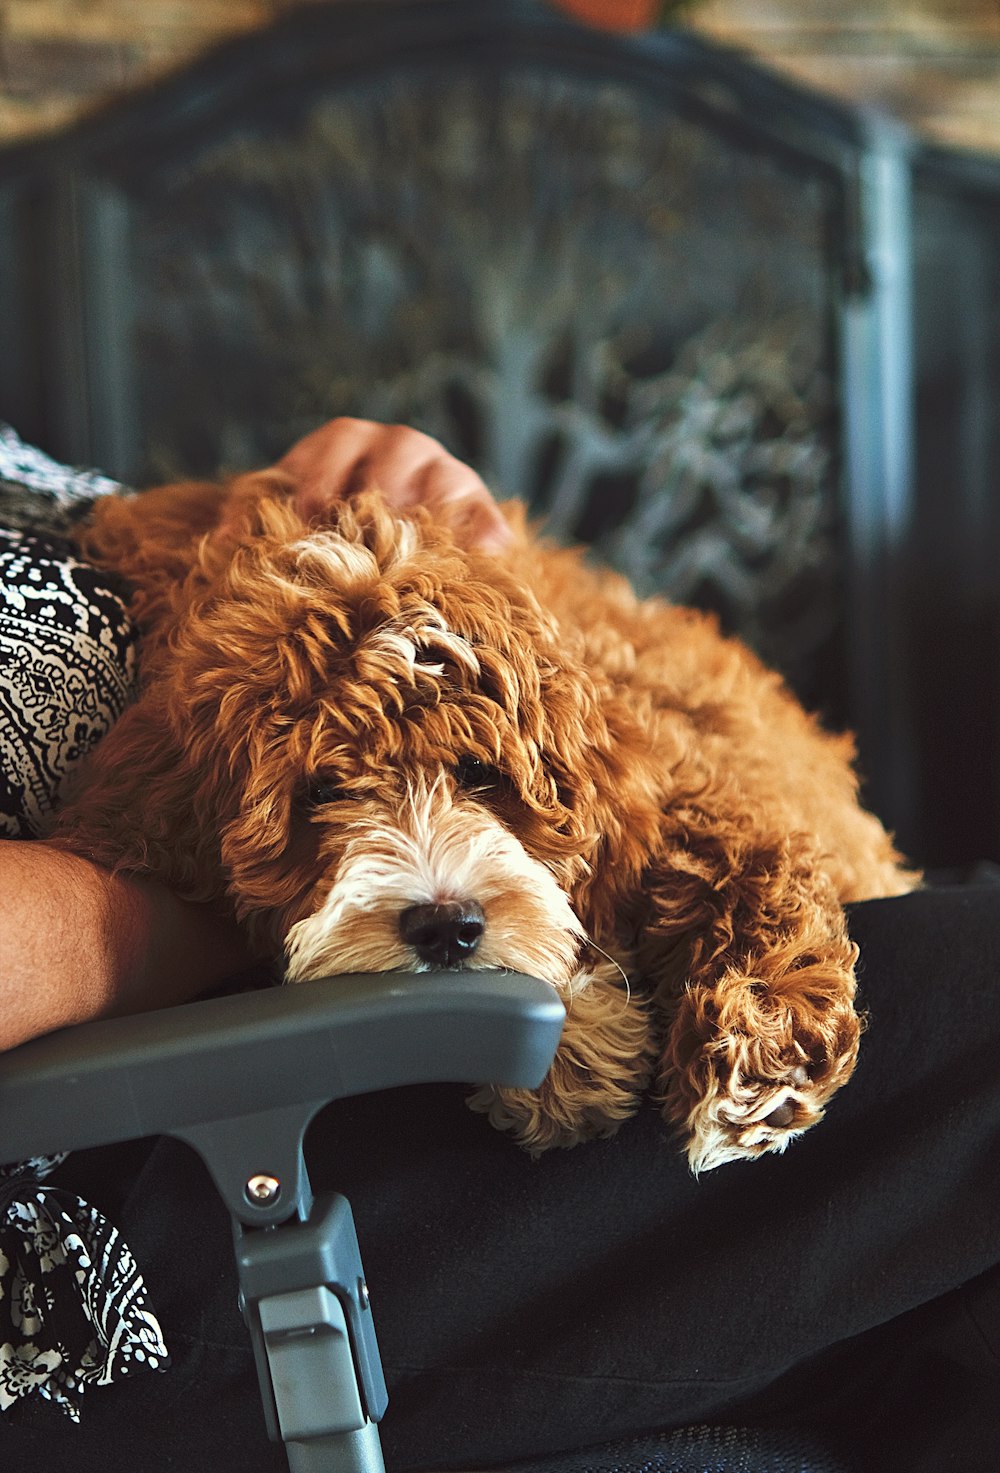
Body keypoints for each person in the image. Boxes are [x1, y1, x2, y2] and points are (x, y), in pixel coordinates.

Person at [1, 421, 999, 1473]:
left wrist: (387, 537)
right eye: (340, 790)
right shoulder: (195, 804)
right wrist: (246, 862)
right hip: (181, 1157)